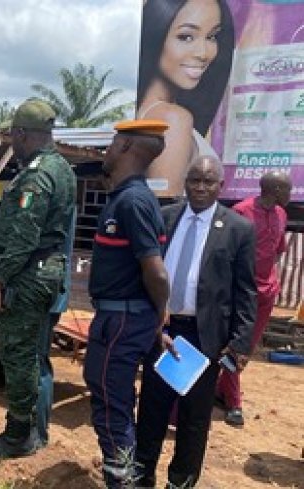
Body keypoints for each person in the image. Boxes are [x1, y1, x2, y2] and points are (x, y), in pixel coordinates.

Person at [135, 156, 256, 488]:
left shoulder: (238, 229)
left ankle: (181, 481)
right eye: (194, 180)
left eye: (208, 182)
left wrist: (241, 342)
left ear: (221, 185)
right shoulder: (165, 218)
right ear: (185, 182)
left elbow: (246, 291)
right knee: (151, 410)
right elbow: (145, 274)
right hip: (163, 331)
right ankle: (141, 476)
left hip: (205, 340)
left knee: (193, 418)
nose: (200, 188)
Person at [0, 99, 76, 458]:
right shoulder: (62, 168)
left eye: (12, 136)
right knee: (30, 355)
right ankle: (30, 432)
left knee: (18, 354)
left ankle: (19, 436)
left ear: (21, 133)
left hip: (27, 273)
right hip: (42, 270)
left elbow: (25, 234)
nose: (11, 142)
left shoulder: (38, 173)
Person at [83, 120, 170, 488]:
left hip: (122, 321)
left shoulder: (133, 201)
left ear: (125, 146)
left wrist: (158, 318)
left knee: (111, 405)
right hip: (117, 318)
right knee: (108, 397)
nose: (107, 149)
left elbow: (158, 274)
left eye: (112, 142)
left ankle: (122, 482)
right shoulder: (127, 197)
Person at [137, 0, 234, 197]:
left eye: (212, 36)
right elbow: (165, 206)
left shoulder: (152, 113)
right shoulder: (173, 119)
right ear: (156, 34)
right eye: (186, 37)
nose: (203, 53)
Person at [216, 171, 291, 426]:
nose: (291, 194)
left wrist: (268, 278)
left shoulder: (282, 214)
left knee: (247, 347)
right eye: (288, 189)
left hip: (267, 293)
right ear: (276, 190)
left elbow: (277, 250)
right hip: (240, 292)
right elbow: (226, 252)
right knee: (237, 343)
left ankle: (222, 390)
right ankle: (234, 401)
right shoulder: (241, 211)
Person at [37, 210, 76, 447]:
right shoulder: (64, 193)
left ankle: (35, 433)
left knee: (35, 363)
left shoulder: (53, 195)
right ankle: (33, 431)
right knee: (37, 361)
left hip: (41, 291)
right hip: (49, 289)